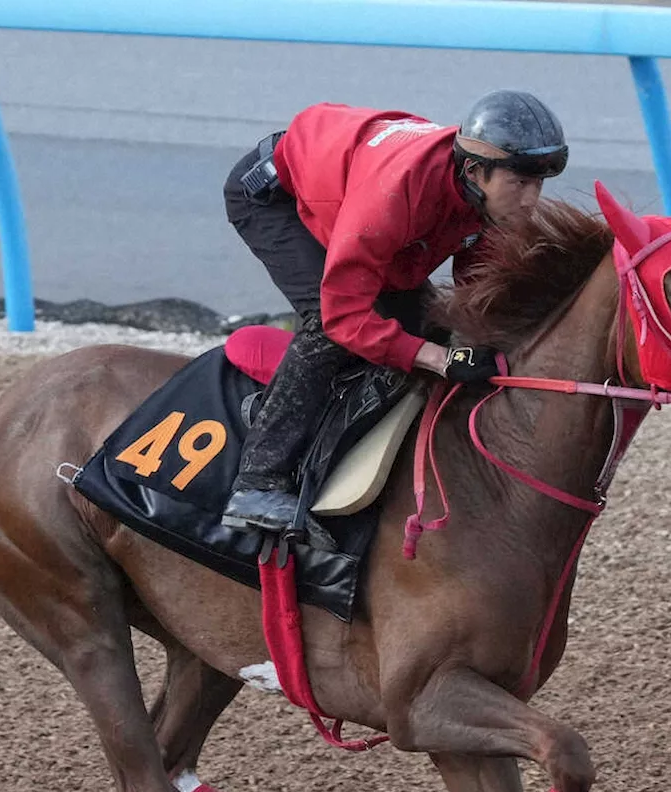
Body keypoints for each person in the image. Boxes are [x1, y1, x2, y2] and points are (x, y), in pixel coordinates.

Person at [220, 90, 569, 536]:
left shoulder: (478, 195)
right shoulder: (395, 195)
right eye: (519, 183)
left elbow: (477, 288)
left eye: (538, 184)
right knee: (330, 329)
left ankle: (310, 415)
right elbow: (344, 317)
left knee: (426, 326)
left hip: (359, 198)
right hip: (275, 198)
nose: (529, 201)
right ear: (475, 170)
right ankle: (256, 481)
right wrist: (437, 358)